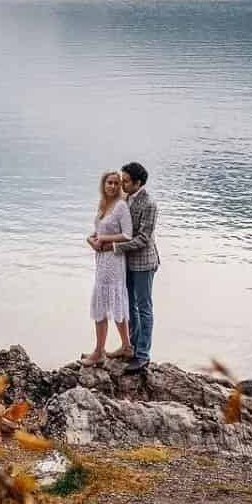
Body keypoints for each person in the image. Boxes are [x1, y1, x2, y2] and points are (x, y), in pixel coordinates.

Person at [96, 160, 159, 373]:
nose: (121, 184)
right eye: (120, 180)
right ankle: (129, 347)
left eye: (125, 181)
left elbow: (142, 238)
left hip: (144, 263)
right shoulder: (127, 200)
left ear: (137, 182)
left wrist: (113, 247)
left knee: (144, 308)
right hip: (127, 263)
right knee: (129, 306)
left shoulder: (149, 204)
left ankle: (143, 356)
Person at [81, 171, 132, 366]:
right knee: (103, 303)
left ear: (119, 186)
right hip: (101, 260)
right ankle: (110, 348)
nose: (112, 186)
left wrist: (104, 239)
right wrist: (91, 239)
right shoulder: (103, 205)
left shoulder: (121, 206)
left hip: (114, 261)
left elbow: (127, 235)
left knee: (112, 303)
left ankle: (104, 351)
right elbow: (99, 231)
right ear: (103, 185)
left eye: (116, 183)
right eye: (109, 183)